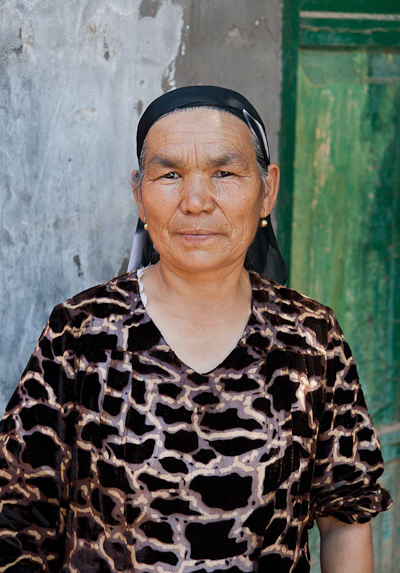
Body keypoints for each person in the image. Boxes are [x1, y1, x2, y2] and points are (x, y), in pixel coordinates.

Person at [0, 86, 391, 573]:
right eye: (169, 175)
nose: (196, 200)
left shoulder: (310, 338)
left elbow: (345, 514)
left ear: (267, 189)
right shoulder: (81, 333)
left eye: (224, 172)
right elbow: (19, 513)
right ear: (140, 196)